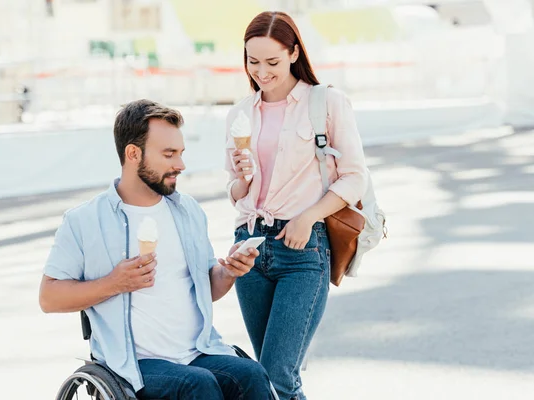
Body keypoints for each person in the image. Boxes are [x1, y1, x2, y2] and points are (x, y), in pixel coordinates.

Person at [39, 99, 274, 400]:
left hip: (197, 351)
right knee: (197, 385)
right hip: (134, 365)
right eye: (169, 154)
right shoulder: (84, 220)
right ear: (133, 153)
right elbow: (49, 297)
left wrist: (227, 272)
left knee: (252, 375)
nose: (181, 165)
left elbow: (208, 289)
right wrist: (114, 283)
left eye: (180, 153)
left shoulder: (187, 211)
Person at [225, 11, 368, 400]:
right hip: (249, 246)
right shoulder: (240, 112)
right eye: (253, 61)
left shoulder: (327, 103)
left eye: (271, 61)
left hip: (303, 248)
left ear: (293, 52)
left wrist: (309, 216)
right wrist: (242, 177)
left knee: (277, 375)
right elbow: (237, 194)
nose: (261, 72)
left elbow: (355, 176)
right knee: (267, 379)